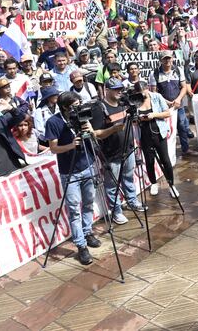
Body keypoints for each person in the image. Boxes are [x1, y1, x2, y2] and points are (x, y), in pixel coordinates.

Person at [44, 91, 101, 266]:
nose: (79, 108)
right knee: (74, 209)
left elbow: (94, 137)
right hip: (69, 171)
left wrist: (89, 130)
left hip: (88, 165)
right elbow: (53, 148)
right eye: (75, 106)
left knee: (89, 203)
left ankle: (87, 232)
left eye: (79, 104)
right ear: (65, 107)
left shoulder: (83, 116)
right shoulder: (53, 122)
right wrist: (71, 145)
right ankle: (81, 245)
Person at [91, 77, 144, 224]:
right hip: (111, 154)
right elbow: (96, 134)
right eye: (115, 89)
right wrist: (113, 129)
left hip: (128, 149)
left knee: (128, 178)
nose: (119, 92)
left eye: (120, 89)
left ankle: (132, 200)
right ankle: (116, 211)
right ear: (106, 90)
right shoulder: (99, 108)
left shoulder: (124, 104)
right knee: (112, 185)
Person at [132, 81, 178, 197]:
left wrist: (154, 115)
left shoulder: (157, 97)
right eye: (139, 93)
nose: (142, 95)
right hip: (144, 135)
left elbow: (167, 113)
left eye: (143, 92)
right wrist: (138, 119)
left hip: (159, 133)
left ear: (147, 88)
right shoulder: (135, 100)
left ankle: (171, 185)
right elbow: (133, 120)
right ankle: (153, 183)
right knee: (149, 161)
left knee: (165, 160)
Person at [149, 50, 192, 155]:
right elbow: (154, 92)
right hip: (163, 108)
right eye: (165, 59)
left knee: (182, 127)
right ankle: (166, 153)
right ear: (160, 60)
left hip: (178, 105)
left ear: (172, 59)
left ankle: (186, 149)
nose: (167, 60)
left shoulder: (178, 70)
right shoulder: (154, 74)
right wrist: (166, 102)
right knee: (165, 129)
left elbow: (184, 87)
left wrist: (178, 99)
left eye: (169, 58)